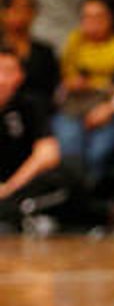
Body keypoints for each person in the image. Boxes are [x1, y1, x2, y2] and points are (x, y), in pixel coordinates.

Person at [51, 0, 114, 189]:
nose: (93, 23)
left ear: (111, 18)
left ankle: (91, 198)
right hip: (72, 109)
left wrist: (109, 108)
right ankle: (72, 196)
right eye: (87, 17)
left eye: (99, 17)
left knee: (98, 149)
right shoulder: (72, 46)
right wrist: (68, 85)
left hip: (112, 112)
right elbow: (56, 93)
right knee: (70, 143)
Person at [0, 47, 71, 231]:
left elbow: (48, 155)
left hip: (22, 183)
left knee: (65, 176)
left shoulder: (32, 104)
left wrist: (8, 188)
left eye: (7, 71)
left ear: (20, 76)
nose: (0, 79)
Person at [0, 0, 60, 114]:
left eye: (27, 9)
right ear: (4, 12)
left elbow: (52, 88)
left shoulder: (45, 51)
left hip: (38, 114)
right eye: (15, 9)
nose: (21, 15)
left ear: (34, 14)